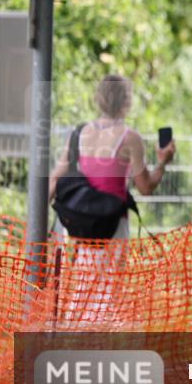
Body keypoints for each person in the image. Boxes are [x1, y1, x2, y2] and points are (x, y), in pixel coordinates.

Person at [48, 75, 176, 323]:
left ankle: (76, 346)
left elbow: (55, 177)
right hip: (112, 225)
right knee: (108, 292)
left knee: (84, 287)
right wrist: (163, 162)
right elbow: (146, 186)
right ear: (126, 102)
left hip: (82, 224)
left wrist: (39, 225)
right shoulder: (130, 138)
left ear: (98, 99)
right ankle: (99, 351)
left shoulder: (79, 133)